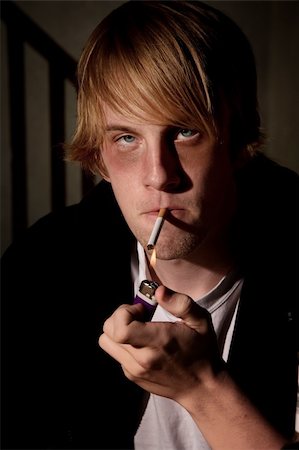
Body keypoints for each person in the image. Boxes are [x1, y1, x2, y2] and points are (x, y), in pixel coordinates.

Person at [1, 1, 298, 449]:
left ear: (237, 141)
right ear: (98, 156)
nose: (160, 175)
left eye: (183, 131)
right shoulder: (42, 265)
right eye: (126, 138)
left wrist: (203, 389)